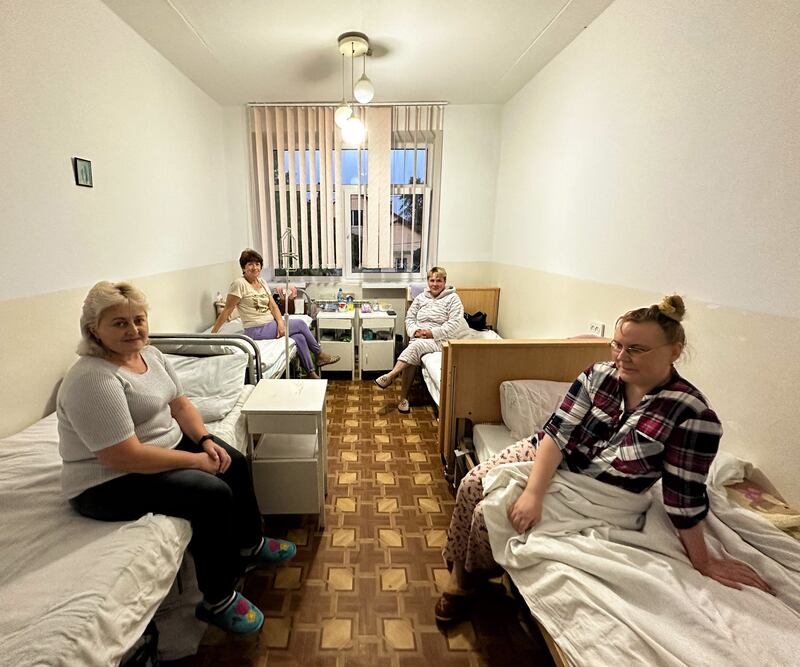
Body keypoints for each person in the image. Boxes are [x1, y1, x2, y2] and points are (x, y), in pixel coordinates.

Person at [434, 295, 773, 623]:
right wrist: (534, 493)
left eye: (636, 349)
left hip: (600, 490)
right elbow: (557, 434)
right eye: (617, 345)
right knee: (472, 483)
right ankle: (459, 566)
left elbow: (683, 497)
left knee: (488, 513)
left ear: (674, 350)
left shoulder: (690, 414)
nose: (622, 357)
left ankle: (469, 580)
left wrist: (704, 561)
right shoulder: (599, 376)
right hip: (552, 452)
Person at [58, 281, 297, 635]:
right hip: (109, 480)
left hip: (158, 449)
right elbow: (124, 456)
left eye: (138, 320)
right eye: (119, 323)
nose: (133, 329)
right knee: (211, 494)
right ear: (94, 329)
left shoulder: (151, 356)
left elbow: (181, 405)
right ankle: (217, 599)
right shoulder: (93, 379)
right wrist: (196, 462)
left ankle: (250, 543)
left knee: (233, 461)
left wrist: (204, 440)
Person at [211, 248, 339, 379]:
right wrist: (213, 334)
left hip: (269, 325)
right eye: (250, 264)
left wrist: (280, 323)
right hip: (256, 330)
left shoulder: (261, 282)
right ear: (243, 267)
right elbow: (227, 310)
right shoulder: (239, 284)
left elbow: (273, 305)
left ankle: (311, 373)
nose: (254, 267)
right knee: (300, 324)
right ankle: (319, 354)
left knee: (300, 337)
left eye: (257, 264)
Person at [374, 266, 468, 413]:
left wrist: (432, 333)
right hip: (420, 336)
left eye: (439, 281)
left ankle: (393, 377)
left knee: (415, 347)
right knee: (414, 351)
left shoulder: (453, 299)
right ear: (428, 281)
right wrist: (414, 331)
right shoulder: (421, 298)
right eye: (432, 280)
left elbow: (454, 323)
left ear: (445, 282)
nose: (435, 284)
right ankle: (402, 397)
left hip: (441, 339)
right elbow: (409, 318)